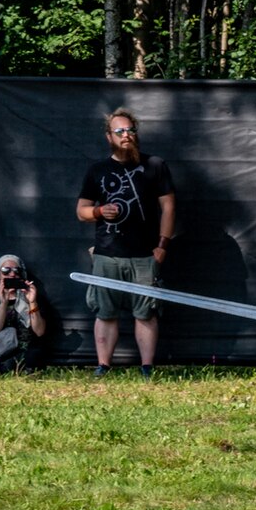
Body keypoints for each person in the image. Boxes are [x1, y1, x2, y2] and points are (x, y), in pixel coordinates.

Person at [76, 108, 177, 377]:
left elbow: (168, 207)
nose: (126, 135)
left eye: (130, 130)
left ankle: (146, 368)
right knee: (105, 312)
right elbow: (81, 210)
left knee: (146, 313)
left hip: (145, 254)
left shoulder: (154, 165)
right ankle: (103, 366)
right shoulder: (97, 170)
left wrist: (162, 246)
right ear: (109, 137)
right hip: (107, 253)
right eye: (119, 131)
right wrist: (99, 212)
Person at [0, 255, 53, 373]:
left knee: (35, 354)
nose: (12, 274)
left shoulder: (36, 299)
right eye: (5, 271)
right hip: (0, 350)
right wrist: (3, 303)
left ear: (22, 274)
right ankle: (1, 366)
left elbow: (39, 331)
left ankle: (2, 367)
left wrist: (32, 302)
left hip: (26, 352)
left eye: (16, 271)